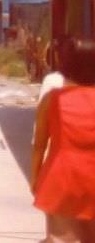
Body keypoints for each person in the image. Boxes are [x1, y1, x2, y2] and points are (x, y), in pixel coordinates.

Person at [31, 37, 95, 242]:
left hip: (62, 177)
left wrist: (35, 178)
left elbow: (39, 146)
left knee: (61, 238)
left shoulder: (54, 99)